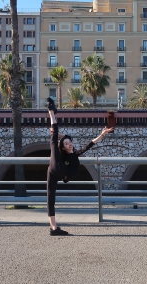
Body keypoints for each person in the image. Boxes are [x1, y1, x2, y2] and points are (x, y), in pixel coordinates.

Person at [46, 97, 114, 236]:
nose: (69, 144)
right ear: (63, 147)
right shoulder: (61, 154)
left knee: (57, 137)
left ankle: (53, 113)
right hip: (53, 170)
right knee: (50, 198)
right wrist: (58, 134)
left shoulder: (74, 154)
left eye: (70, 142)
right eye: (66, 143)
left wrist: (102, 134)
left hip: (65, 173)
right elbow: (57, 138)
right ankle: (54, 228)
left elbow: (89, 145)